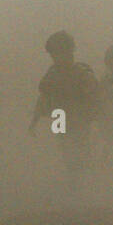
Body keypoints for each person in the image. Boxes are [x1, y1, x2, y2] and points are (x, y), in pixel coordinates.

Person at [29, 30, 99, 179]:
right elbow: (43, 97)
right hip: (60, 118)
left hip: (79, 120)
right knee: (66, 152)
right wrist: (34, 121)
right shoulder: (52, 73)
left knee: (81, 153)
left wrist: (98, 118)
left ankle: (83, 180)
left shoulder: (82, 73)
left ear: (69, 52)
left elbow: (96, 99)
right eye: (53, 54)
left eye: (59, 53)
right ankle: (74, 180)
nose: (56, 58)